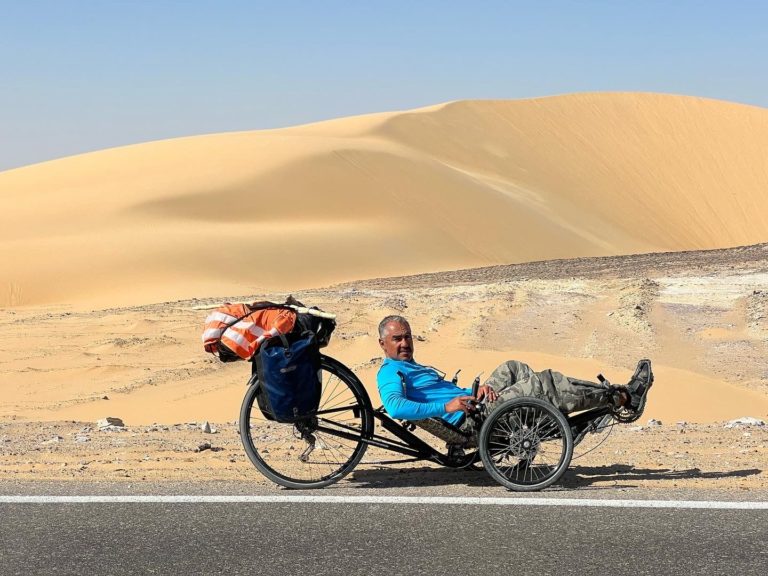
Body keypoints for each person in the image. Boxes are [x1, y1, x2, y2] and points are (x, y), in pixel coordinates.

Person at [376, 315, 653, 434]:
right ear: (383, 344)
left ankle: (542, 422)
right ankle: (624, 397)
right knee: (545, 383)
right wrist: (447, 405)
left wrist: (477, 391)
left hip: (474, 403)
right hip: (470, 419)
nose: (404, 343)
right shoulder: (390, 372)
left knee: (513, 368)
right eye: (397, 339)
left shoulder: (413, 366)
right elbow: (395, 406)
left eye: (408, 337)